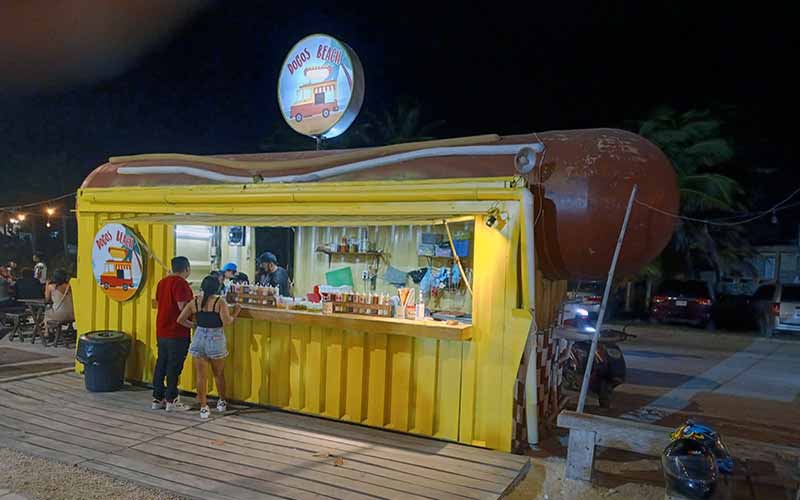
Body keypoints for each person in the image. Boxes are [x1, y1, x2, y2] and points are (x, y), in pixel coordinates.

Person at [177, 275, 240, 419]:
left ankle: (204, 407)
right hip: (215, 338)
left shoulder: (195, 302)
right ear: (217, 288)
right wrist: (236, 312)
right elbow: (227, 322)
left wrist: (194, 326)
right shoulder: (219, 302)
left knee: (201, 376)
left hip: (199, 337)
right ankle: (222, 401)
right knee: (218, 374)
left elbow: (180, 319)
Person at [152, 256, 194, 412]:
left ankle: (157, 398)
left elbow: (159, 302)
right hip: (177, 332)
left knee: (161, 363)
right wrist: (191, 323)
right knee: (174, 366)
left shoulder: (162, 282)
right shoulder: (181, 284)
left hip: (161, 330)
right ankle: (172, 399)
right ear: (187, 268)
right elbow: (182, 307)